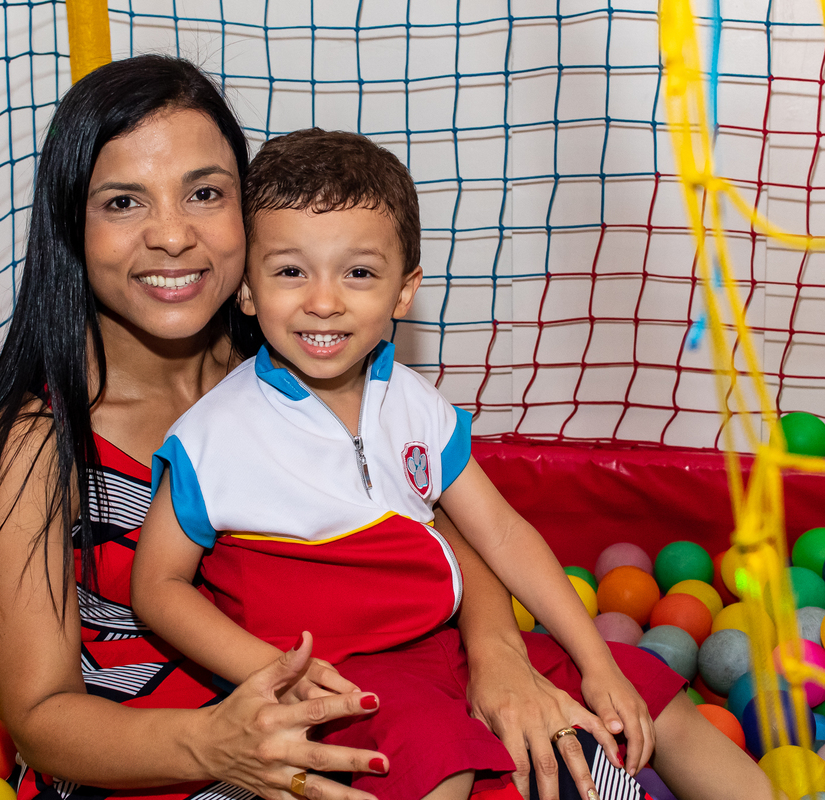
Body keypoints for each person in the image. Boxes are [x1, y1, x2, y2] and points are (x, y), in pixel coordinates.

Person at [0, 54, 671, 800]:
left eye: (203, 192)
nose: (170, 235)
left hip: (351, 703)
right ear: (72, 224)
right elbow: (39, 719)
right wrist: (215, 745)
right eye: (123, 202)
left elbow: (440, 527)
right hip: (160, 760)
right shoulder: (37, 444)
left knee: (587, 767)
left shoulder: (296, 366)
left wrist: (497, 657)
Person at [131, 128, 773, 800]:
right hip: (343, 674)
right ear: (248, 290)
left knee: (647, 687)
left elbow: (502, 533)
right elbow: (159, 586)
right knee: (442, 758)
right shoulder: (214, 435)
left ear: (403, 293)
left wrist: (592, 661)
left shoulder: (413, 403)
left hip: (447, 643)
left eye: (358, 273)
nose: (324, 300)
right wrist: (277, 672)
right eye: (291, 271)